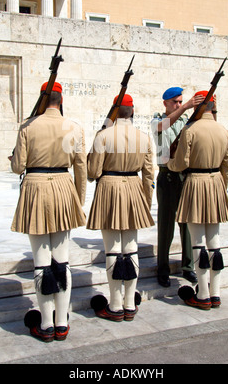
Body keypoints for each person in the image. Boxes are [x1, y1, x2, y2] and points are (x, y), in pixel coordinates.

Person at [9, 82, 87, 341]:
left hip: (36, 189)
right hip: (64, 189)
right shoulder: (75, 127)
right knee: (62, 260)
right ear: (61, 99)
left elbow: (18, 167)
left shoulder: (28, 126)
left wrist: (13, 160)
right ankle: (62, 322)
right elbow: (81, 168)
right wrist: (78, 200)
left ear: (42, 100)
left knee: (42, 261)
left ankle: (45, 324)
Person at [87, 94, 155, 322]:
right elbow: (148, 175)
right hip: (134, 189)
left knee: (113, 250)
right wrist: (145, 202)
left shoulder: (103, 136)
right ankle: (129, 304)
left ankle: (115, 306)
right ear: (132, 112)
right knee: (131, 248)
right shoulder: (144, 138)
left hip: (109, 188)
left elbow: (93, 173)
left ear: (115, 112)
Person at [167, 90, 228, 310]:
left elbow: (181, 163)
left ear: (197, 107)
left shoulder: (191, 130)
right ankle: (215, 293)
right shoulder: (224, 131)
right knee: (214, 243)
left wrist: (169, 164)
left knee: (198, 242)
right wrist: (220, 187)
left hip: (195, 182)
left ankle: (203, 294)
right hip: (215, 183)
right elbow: (227, 166)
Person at [151, 87, 204, 287]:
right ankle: (162, 268)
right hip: (166, 177)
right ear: (165, 103)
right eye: (176, 102)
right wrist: (187, 108)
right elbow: (163, 126)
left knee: (187, 225)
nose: (179, 105)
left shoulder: (186, 122)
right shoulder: (156, 120)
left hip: (184, 177)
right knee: (166, 226)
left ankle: (188, 266)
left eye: (181, 102)